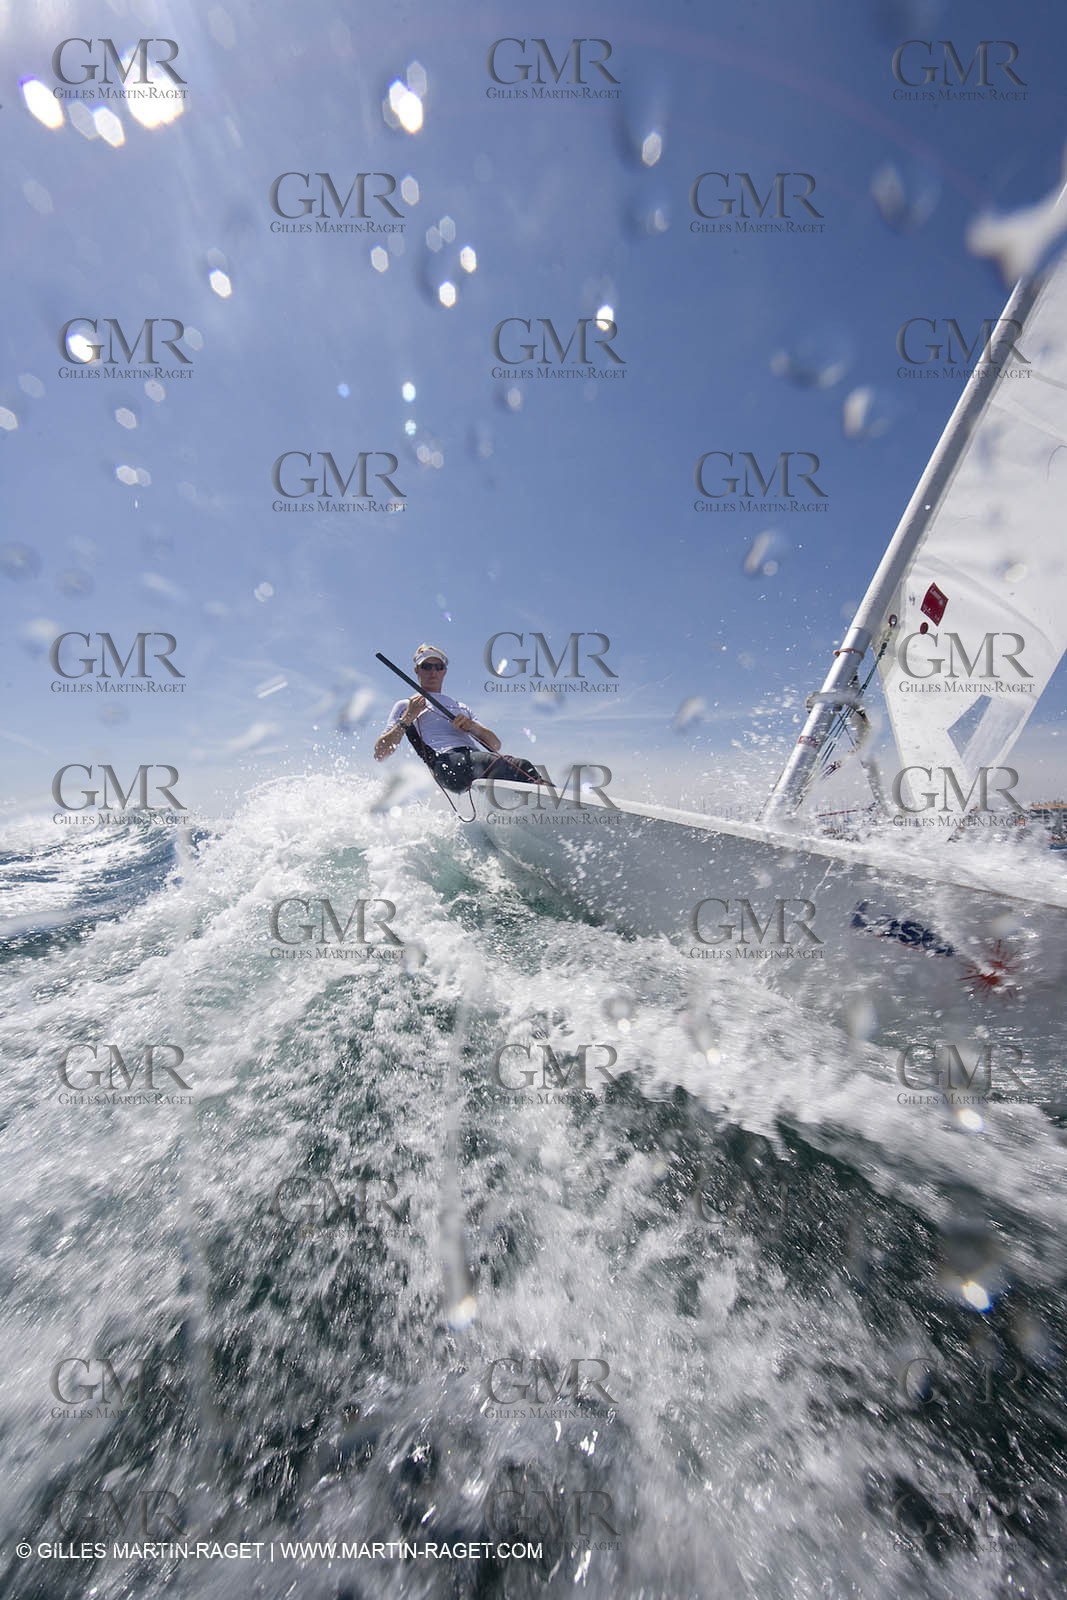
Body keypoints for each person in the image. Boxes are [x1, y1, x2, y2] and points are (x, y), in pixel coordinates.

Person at [374, 644, 543, 793]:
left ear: (444, 671)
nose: (433, 671)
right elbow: (380, 754)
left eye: (438, 667)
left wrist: (472, 726)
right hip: (448, 764)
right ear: (417, 670)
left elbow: (495, 745)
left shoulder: (461, 707)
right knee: (522, 767)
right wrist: (408, 717)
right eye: (426, 666)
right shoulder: (405, 705)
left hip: (475, 760)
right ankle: (555, 803)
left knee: (514, 772)